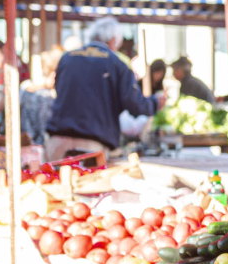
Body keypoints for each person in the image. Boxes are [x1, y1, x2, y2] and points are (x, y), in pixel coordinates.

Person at [44, 17, 162, 161]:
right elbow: (135, 104)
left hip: (56, 143)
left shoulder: (67, 58)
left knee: (52, 181)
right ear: (113, 40)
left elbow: (59, 90)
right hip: (91, 145)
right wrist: (155, 103)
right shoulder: (117, 64)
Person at [19, 48, 61, 146]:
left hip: (24, 143)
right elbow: (44, 132)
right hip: (36, 147)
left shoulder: (25, 86)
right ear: (53, 73)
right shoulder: (45, 97)